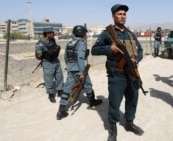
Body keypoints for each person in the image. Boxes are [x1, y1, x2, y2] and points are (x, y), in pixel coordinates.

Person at [91, 4, 144, 141]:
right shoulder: (107, 34)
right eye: (119, 14)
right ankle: (113, 129)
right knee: (115, 102)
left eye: (124, 14)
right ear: (113, 16)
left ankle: (129, 123)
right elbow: (94, 50)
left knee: (133, 99)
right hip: (117, 75)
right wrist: (110, 48)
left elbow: (140, 51)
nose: (122, 16)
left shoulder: (130, 34)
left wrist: (136, 59)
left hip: (131, 73)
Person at [56, 25, 102, 120]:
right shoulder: (81, 43)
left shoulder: (69, 43)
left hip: (71, 69)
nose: (85, 35)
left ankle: (61, 110)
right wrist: (81, 73)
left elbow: (66, 57)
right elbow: (81, 59)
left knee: (67, 88)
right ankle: (92, 101)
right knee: (88, 85)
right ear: (82, 34)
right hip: (79, 70)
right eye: (85, 33)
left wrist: (70, 66)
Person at [35, 26, 63, 103]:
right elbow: (38, 56)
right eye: (52, 33)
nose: (53, 34)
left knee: (59, 76)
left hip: (56, 61)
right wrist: (45, 55)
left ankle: (60, 91)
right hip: (47, 63)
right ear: (47, 34)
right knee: (49, 79)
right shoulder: (40, 44)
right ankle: (50, 94)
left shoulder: (53, 41)